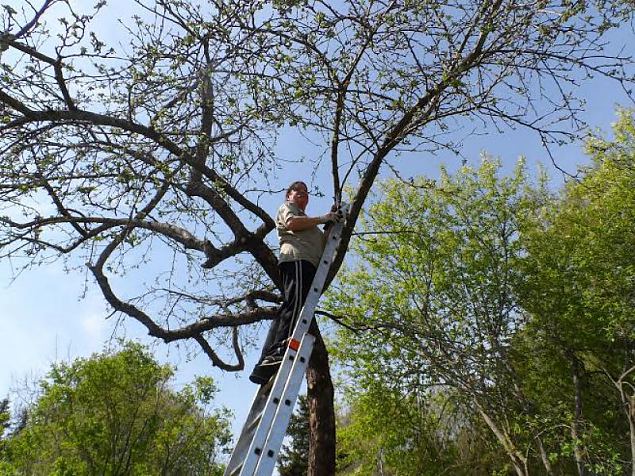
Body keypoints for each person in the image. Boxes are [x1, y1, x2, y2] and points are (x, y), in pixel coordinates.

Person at [249, 181, 343, 385]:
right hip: (297, 259)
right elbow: (292, 223)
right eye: (297, 191)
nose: (302, 194)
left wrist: (330, 222)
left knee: (291, 306)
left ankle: (266, 359)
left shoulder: (311, 226)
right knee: (295, 305)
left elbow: (324, 242)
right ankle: (279, 350)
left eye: (305, 192)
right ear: (288, 196)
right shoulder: (288, 209)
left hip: (308, 264)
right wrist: (323, 218)